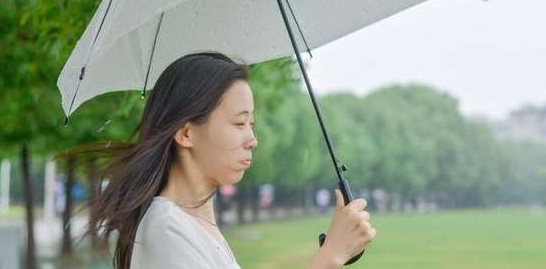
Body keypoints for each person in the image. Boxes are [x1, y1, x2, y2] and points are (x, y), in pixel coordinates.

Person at [84, 51, 376, 269]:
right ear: (186, 133)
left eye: (252, 123)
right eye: (239, 123)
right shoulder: (166, 230)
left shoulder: (197, 227)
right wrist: (331, 255)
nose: (252, 139)